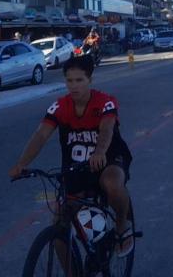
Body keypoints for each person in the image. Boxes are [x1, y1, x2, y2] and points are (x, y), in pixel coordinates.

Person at [9, 55, 135, 257]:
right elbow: (41, 134)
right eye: (69, 80)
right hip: (77, 166)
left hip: (109, 158)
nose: (74, 86)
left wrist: (100, 151)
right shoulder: (60, 107)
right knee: (59, 230)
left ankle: (122, 226)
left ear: (90, 80)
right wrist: (22, 164)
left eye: (79, 80)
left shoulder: (105, 102)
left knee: (111, 183)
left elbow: (107, 130)